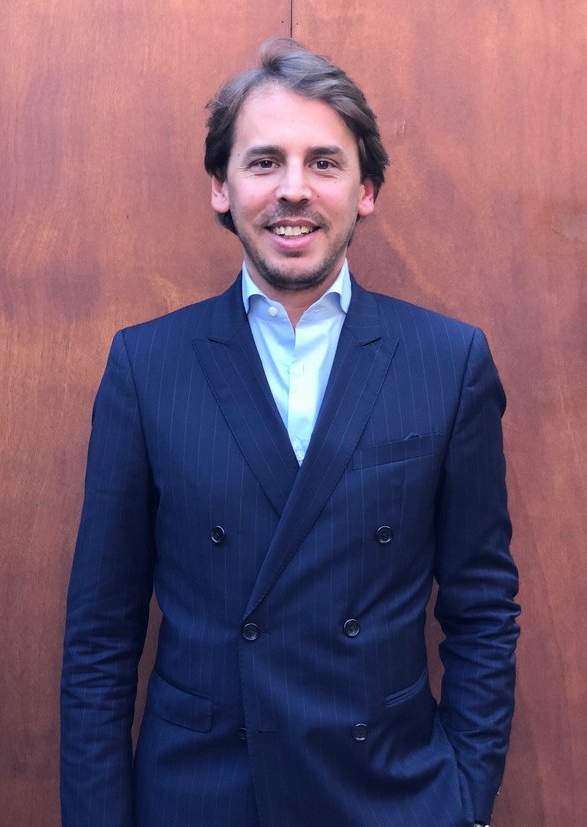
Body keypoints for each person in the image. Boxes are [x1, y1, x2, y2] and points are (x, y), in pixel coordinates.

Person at [61, 37, 519, 827]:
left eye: (324, 162)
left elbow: (483, 609)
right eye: (265, 161)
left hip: (392, 797)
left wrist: (464, 800)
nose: (294, 189)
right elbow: (101, 636)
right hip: (204, 800)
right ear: (222, 186)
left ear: (365, 189)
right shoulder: (147, 364)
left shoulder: (449, 361)